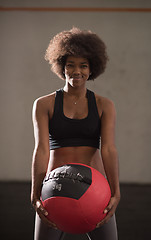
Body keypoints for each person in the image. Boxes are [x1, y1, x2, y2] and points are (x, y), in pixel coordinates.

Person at [31, 27, 120, 240]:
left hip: (94, 190)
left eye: (83, 65)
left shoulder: (104, 105)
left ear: (92, 69)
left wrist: (115, 191)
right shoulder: (44, 104)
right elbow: (41, 149)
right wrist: (35, 192)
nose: (76, 71)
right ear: (62, 67)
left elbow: (108, 149)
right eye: (70, 65)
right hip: (55, 188)